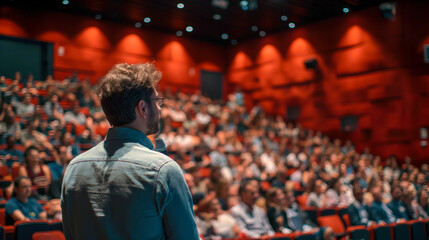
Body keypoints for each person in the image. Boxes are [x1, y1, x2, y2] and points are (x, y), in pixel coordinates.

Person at [61, 63, 199, 239]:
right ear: (142, 108)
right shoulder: (163, 170)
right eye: (156, 101)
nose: (159, 107)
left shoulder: (74, 168)